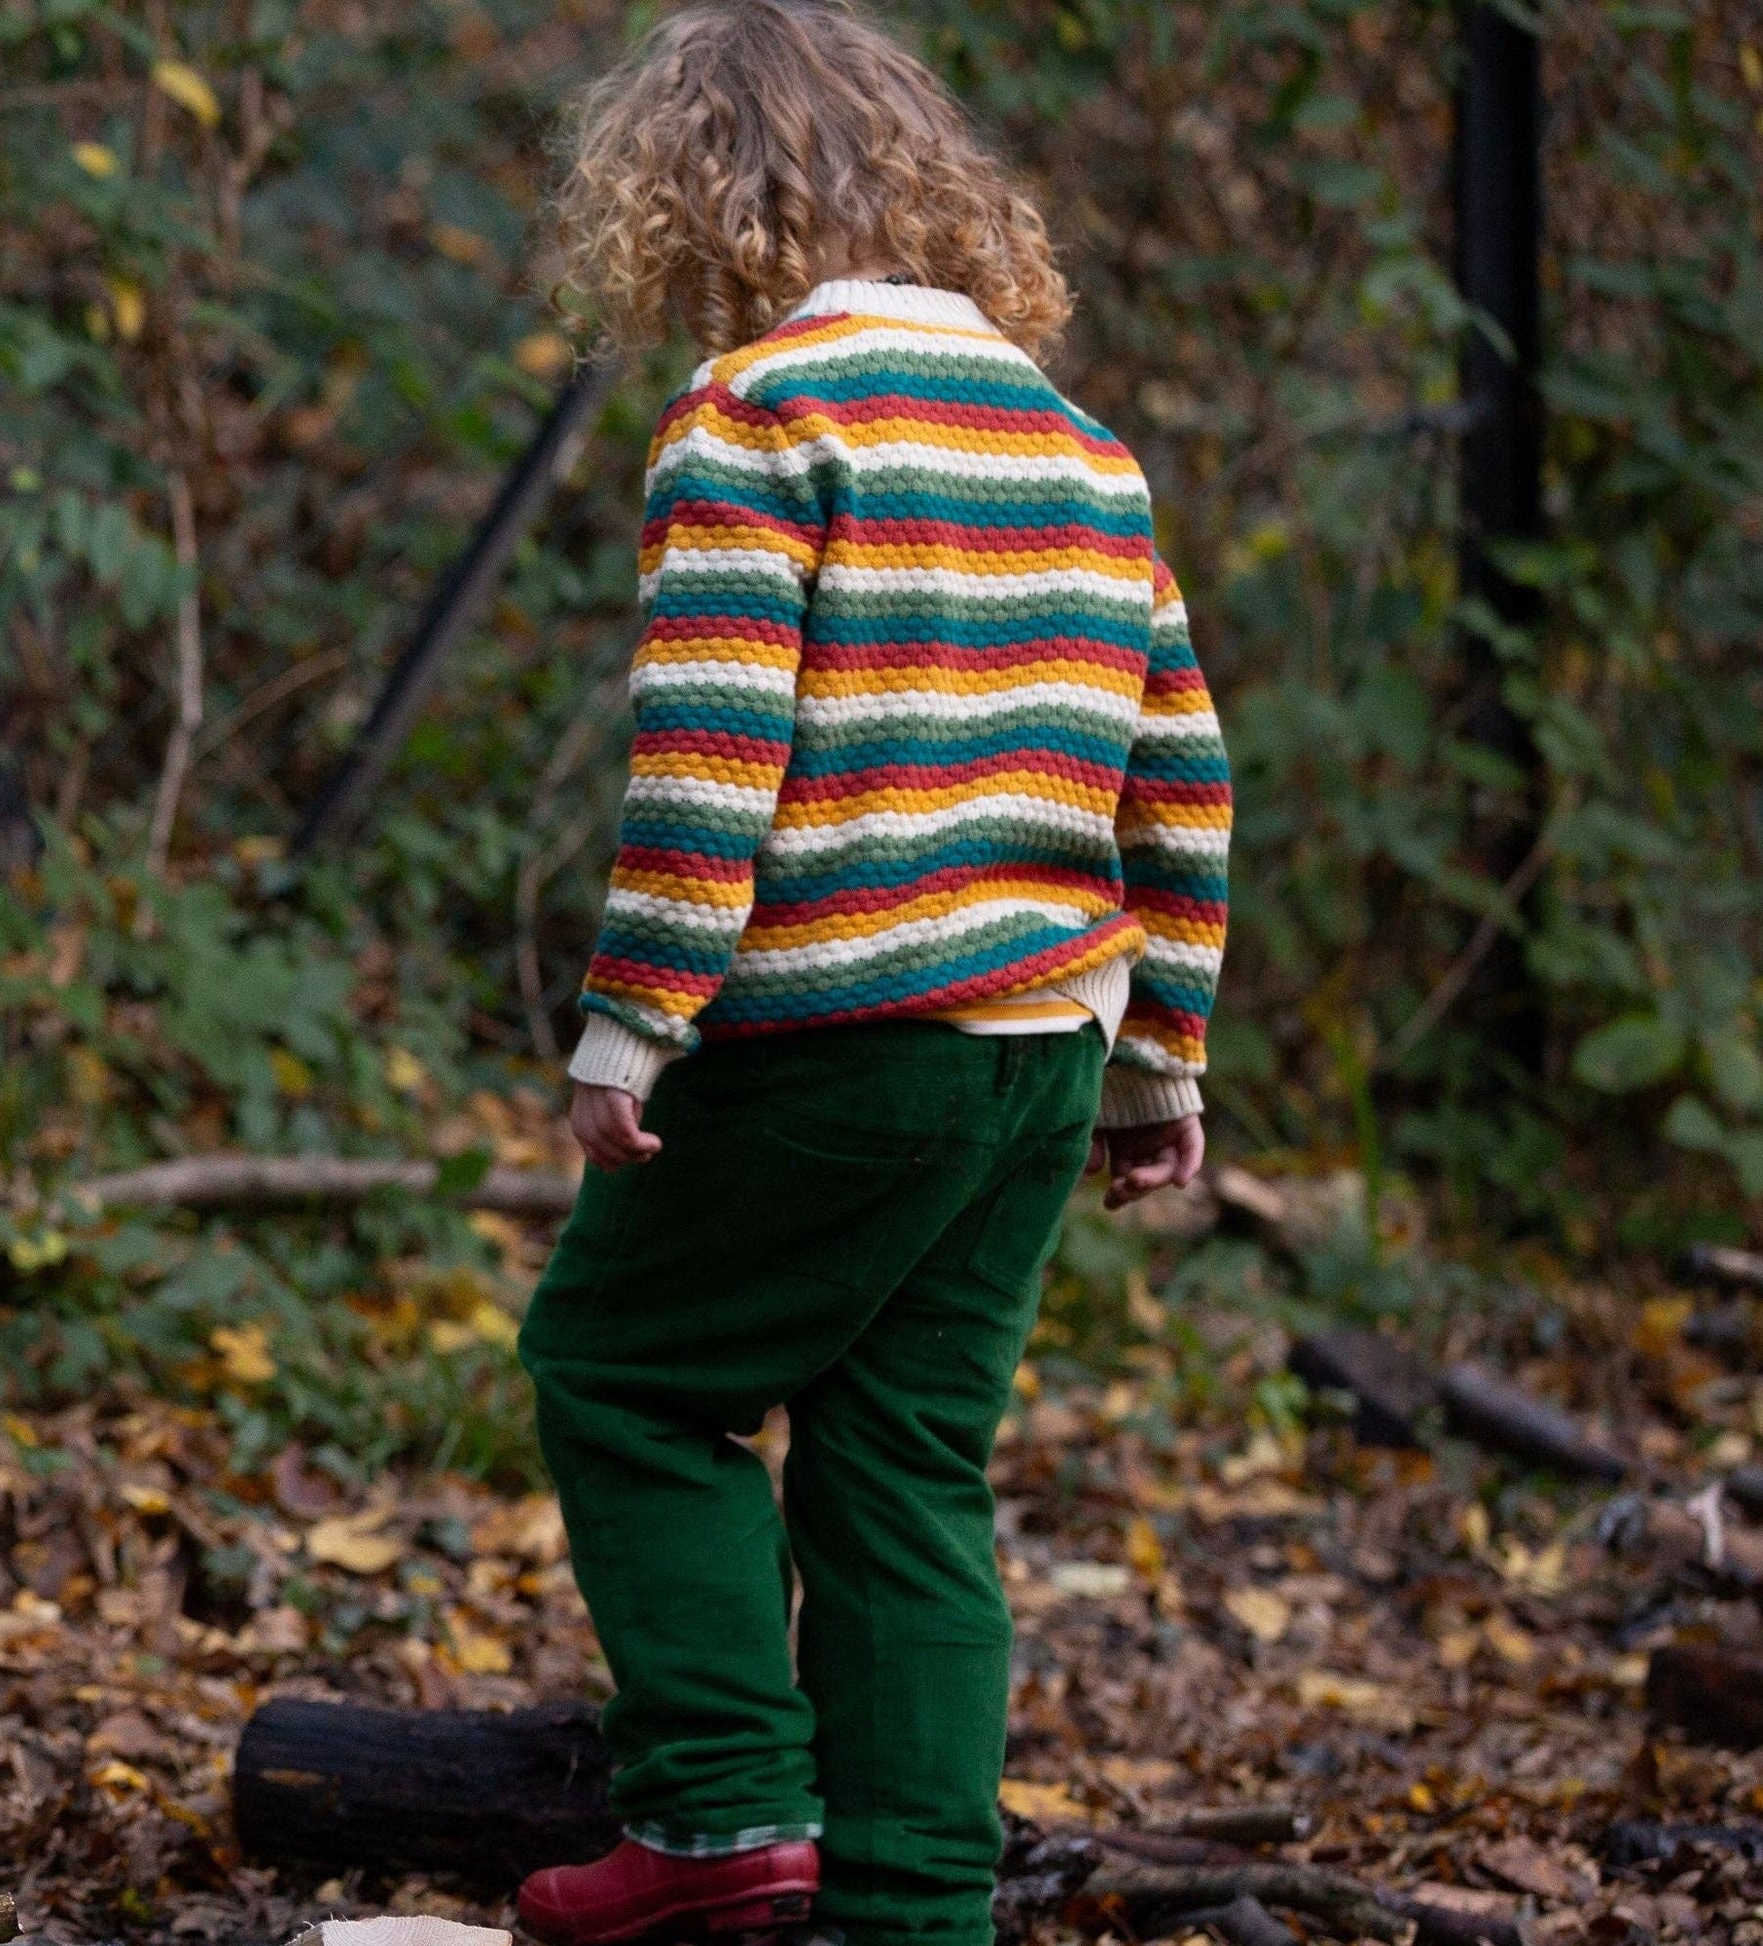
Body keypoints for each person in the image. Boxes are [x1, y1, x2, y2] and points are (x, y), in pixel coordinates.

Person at [514, 6, 1231, 1945]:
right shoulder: (1078, 452)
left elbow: (711, 754)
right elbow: (1182, 774)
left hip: (837, 1027)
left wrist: (630, 1020)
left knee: (620, 1372)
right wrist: (1164, 1060)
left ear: (696, 201)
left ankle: (726, 1816)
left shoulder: (758, 413)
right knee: (906, 1455)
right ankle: (914, 1907)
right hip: (1040, 1049)